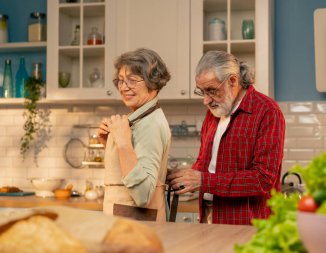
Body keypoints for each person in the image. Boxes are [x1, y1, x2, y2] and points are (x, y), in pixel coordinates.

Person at [167, 50, 285, 225]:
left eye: (212, 91)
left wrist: (202, 180)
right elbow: (204, 162)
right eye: (202, 91)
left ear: (232, 80)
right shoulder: (213, 113)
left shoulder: (267, 111)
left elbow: (263, 179)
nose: (206, 100)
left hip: (247, 222)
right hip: (208, 215)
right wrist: (183, 177)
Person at [98, 48, 171, 222]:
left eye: (132, 80)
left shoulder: (150, 124)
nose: (123, 87)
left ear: (153, 83)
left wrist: (123, 142)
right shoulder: (144, 117)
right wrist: (110, 143)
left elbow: (143, 194)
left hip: (135, 226)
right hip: (128, 223)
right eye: (121, 81)